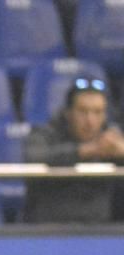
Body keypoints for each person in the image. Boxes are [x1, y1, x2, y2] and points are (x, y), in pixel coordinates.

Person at [24, 77, 124, 224]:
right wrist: (84, 151)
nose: (90, 121)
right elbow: (33, 158)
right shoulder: (45, 133)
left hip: (102, 232)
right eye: (83, 111)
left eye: (97, 112)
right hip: (49, 231)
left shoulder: (111, 140)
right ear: (68, 113)